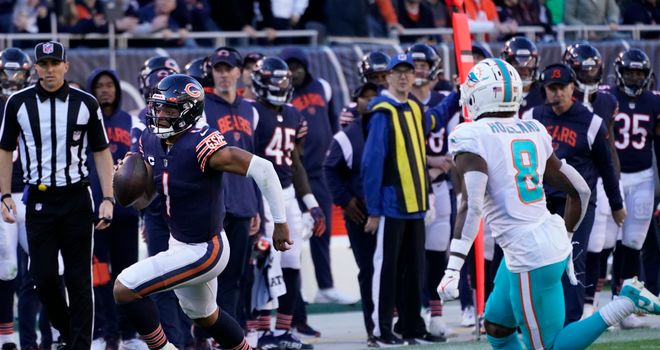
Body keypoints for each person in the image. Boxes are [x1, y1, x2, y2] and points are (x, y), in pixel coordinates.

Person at [437, 57, 660, 350]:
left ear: (479, 94)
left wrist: (453, 268)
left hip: (528, 254)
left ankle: (625, 301)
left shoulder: (471, 136)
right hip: (536, 241)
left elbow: (473, 205)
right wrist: (563, 238)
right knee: (497, 325)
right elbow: (580, 189)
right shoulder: (532, 128)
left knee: (547, 347)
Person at [112, 74, 291, 350]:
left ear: (189, 112)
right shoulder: (149, 139)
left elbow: (263, 169)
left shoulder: (201, 144)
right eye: (158, 107)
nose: (160, 115)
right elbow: (145, 200)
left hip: (206, 249)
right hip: (179, 243)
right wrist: (126, 182)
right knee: (206, 316)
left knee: (125, 288)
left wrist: (280, 223)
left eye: (169, 110)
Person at [0, 41, 115, 350]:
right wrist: (3, 193)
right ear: (35, 68)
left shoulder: (86, 103)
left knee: (79, 280)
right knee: (43, 277)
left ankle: (79, 345)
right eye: (44, 64)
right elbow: (5, 149)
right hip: (38, 200)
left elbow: (101, 152)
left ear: (66, 66)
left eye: (55, 64)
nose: (49, 70)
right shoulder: (18, 103)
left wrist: (108, 198)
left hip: (77, 197)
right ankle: (67, 328)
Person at [521, 63, 626, 325]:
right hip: (541, 201)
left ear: (572, 88)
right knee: (539, 260)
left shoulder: (591, 123)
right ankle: (539, 318)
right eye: (551, 88)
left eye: (561, 88)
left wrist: (616, 203)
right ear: (544, 89)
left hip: (578, 202)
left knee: (572, 259)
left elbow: (607, 167)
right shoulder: (531, 117)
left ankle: (571, 321)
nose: (557, 93)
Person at [362, 53, 446, 346]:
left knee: (416, 270)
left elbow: (434, 121)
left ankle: (411, 326)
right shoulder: (381, 111)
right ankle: (380, 330)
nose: (403, 77)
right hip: (390, 205)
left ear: (414, 76)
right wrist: (373, 209)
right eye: (397, 72)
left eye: (407, 72)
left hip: (417, 206)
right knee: (386, 270)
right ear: (386, 77)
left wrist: (459, 94)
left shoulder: (414, 107)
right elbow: (371, 163)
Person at [249, 56, 324, 350]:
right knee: (264, 263)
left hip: (289, 194)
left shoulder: (294, 115)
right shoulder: (252, 112)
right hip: (262, 195)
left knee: (292, 262)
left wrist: (311, 202)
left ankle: (283, 330)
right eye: (275, 79)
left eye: (284, 80)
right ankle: (259, 331)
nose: (281, 85)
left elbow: (295, 162)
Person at [280, 47, 355, 307]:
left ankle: (325, 286)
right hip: (295, 174)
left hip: (321, 172)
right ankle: (293, 292)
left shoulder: (323, 86)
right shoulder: (281, 94)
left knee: (322, 231)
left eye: (297, 66)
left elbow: (334, 123)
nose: (293, 72)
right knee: (293, 235)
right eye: (288, 67)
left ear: (306, 66)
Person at [130, 56, 195, 350]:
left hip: (191, 215)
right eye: (157, 78)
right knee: (162, 283)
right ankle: (174, 343)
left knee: (195, 285)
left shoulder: (196, 125)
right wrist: (144, 209)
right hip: (158, 212)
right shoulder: (140, 125)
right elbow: (140, 177)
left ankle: (195, 339)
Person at [561, 43, 622, 324]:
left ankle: (588, 303)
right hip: (559, 184)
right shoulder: (550, 101)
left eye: (593, 68)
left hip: (592, 180)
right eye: (583, 69)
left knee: (594, 245)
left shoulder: (607, 101)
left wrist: (614, 187)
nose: (588, 75)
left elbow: (607, 151)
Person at [85, 68, 145, 350]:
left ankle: (128, 332)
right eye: (100, 86)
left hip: (126, 211)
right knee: (99, 276)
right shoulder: (84, 121)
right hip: (94, 211)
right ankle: (104, 331)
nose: (105, 90)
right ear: (92, 90)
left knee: (127, 275)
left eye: (110, 85)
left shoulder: (132, 121)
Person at [203, 47, 260, 324]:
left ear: (239, 71)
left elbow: (257, 161)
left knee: (235, 277)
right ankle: (201, 338)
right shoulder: (202, 106)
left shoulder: (251, 110)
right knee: (206, 276)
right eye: (218, 69)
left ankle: (229, 337)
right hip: (213, 204)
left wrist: (257, 205)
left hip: (244, 203)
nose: (223, 74)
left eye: (228, 68)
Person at [323, 81, 379, 347]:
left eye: (373, 97)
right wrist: (345, 201)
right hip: (361, 212)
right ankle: (375, 326)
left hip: (392, 210)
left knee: (397, 269)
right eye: (364, 98)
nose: (368, 102)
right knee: (369, 269)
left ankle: (400, 322)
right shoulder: (347, 135)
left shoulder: (391, 127)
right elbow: (330, 170)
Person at [607, 48, 660, 328]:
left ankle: (626, 305)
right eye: (629, 72)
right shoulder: (608, 98)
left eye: (639, 72)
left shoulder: (654, 102)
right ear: (620, 73)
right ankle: (604, 300)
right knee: (604, 242)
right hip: (613, 179)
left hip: (642, 178)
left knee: (633, 244)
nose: (635, 77)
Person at [0, 47, 33, 350]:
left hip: (33, 191)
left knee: (48, 263)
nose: (11, 79)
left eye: (17, 73)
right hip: (4, 193)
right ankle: (7, 335)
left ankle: (54, 329)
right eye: (6, 72)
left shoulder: (33, 103)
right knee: (7, 265)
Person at [340, 51, 391, 128]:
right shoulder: (354, 109)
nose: (380, 81)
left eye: (384, 76)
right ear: (364, 79)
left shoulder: (400, 101)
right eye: (374, 77)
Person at [499, 36, 544, 116]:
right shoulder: (498, 93)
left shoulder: (544, 93)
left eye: (529, 62)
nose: (524, 68)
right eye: (516, 63)